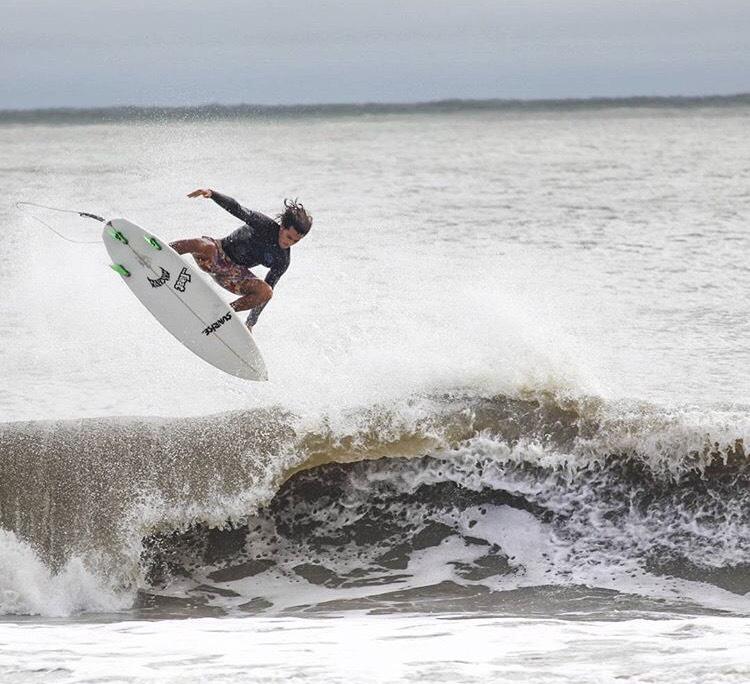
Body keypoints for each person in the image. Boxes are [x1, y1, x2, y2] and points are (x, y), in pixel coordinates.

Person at [171, 188, 312, 332]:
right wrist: (213, 194)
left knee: (266, 292)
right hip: (216, 254)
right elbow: (236, 208)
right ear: (282, 227)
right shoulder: (263, 224)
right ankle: (160, 250)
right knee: (201, 244)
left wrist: (251, 322)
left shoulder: (282, 260)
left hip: (234, 276)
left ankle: (223, 314)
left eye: (296, 241)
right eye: (289, 237)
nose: (290, 243)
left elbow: (266, 293)